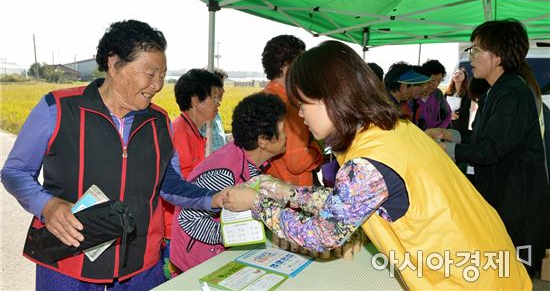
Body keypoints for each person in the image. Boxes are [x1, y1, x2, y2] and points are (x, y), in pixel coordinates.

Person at [223, 40, 531, 289]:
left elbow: (323, 234)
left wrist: (257, 203)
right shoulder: (390, 130)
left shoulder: (368, 160)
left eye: (303, 104)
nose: (300, 115)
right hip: (487, 262)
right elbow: (343, 202)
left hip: (464, 279)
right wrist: (284, 192)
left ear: (332, 98)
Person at [0, 20, 234, 290]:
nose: (158, 84)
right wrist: (46, 206)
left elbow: (168, 183)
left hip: (139, 269)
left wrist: (213, 199)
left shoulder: (159, 122)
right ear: (114, 63)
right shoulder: (58, 109)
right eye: (150, 73)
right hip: (68, 263)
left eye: (163, 75)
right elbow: (15, 172)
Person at [425, 19, 549, 275]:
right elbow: (482, 136)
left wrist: (443, 149)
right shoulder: (497, 90)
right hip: (503, 195)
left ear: (498, 56)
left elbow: (491, 150)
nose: (470, 57)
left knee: (512, 274)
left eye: (476, 49)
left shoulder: (512, 93)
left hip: (517, 203)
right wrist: (447, 134)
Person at [170, 92, 286, 272]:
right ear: (263, 140)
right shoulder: (225, 173)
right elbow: (187, 217)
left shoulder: (249, 158)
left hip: (215, 256)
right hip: (195, 264)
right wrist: (233, 235)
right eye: (284, 129)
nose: (288, 136)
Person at [163, 68, 223, 276]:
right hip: (174, 227)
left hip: (185, 220)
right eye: (214, 98)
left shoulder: (192, 132)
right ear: (196, 100)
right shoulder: (178, 133)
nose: (218, 104)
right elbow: (180, 183)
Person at [261, 34, 323, 186]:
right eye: (301, 62)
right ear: (285, 65)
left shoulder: (262, 97)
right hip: (294, 191)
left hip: (269, 186)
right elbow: (297, 163)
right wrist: (319, 144)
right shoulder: (291, 105)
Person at [412, 59, 451, 130]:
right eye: (432, 80)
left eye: (439, 81)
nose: (435, 85)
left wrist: (438, 130)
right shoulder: (413, 95)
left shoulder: (438, 94)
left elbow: (447, 115)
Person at [200, 68, 229, 154]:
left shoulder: (216, 114)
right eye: (221, 86)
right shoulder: (201, 114)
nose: (224, 91)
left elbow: (217, 139)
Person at [445, 68, 471, 134]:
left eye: (460, 74)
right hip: (447, 122)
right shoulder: (447, 92)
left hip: (460, 123)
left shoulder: (467, 93)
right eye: (455, 73)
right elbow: (442, 105)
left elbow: (466, 107)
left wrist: (456, 113)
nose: (457, 75)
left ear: (465, 77)